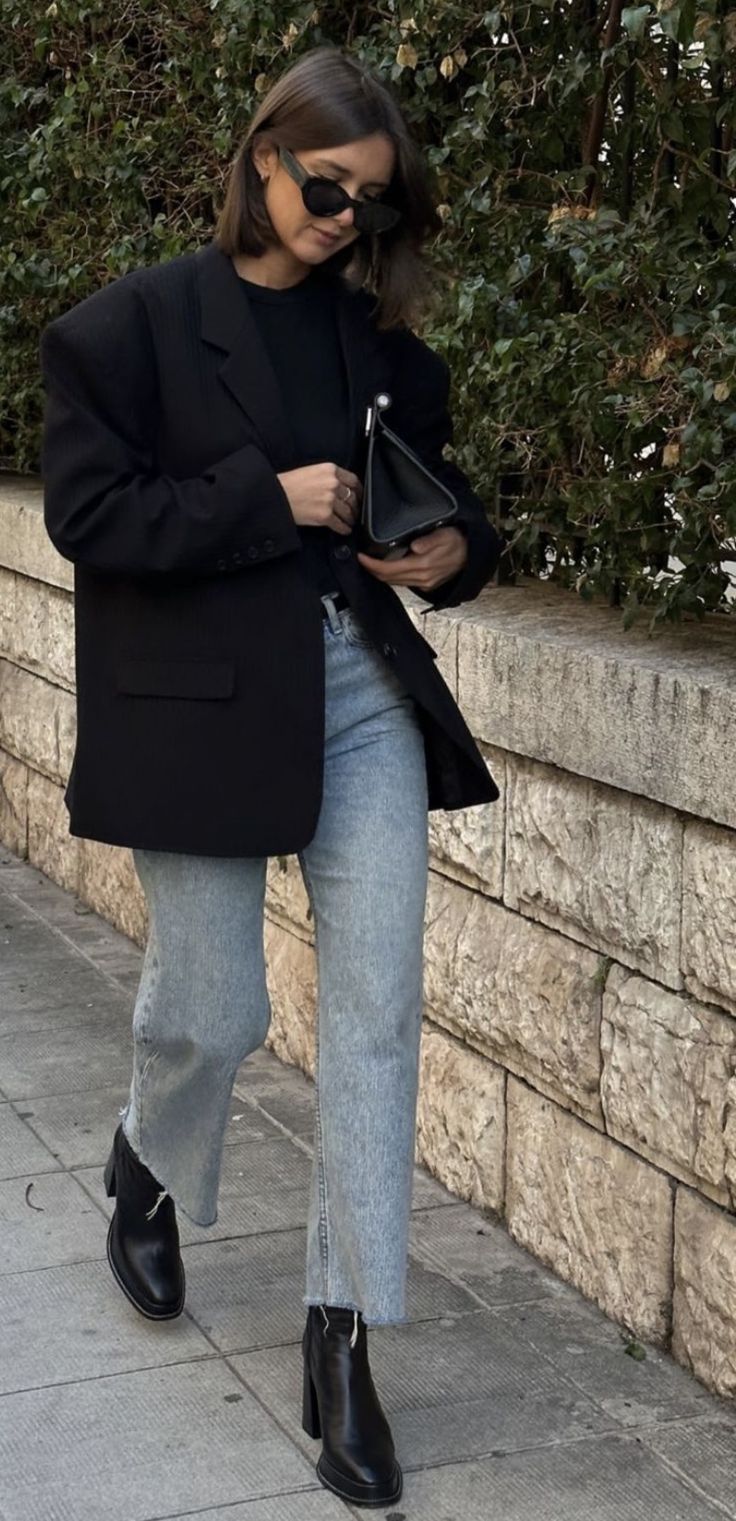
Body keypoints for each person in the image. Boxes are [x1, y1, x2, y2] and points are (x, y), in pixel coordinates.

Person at [39, 42, 501, 1508]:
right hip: (201, 703)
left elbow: (445, 502)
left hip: (359, 693)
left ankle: (342, 1329)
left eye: (372, 200)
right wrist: (268, 498)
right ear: (262, 158)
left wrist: (453, 551)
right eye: (326, 187)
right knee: (219, 1004)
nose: (346, 218)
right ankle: (148, 1158)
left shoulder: (379, 346)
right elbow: (88, 516)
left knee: (376, 1012)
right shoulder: (129, 329)